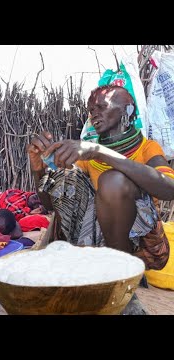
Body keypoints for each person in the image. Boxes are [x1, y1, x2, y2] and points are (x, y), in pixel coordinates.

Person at [28, 84, 174, 313]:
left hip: (141, 243)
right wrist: (38, 169)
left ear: (127, 110)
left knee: (112, 180)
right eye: (90, 109)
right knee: (67, 178)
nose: (93, 112)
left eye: (101, 106)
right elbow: (51, 204)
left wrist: (100, 151)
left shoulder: (146, 148)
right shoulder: (88, 157)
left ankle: (120, 286)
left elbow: (169, 189)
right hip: (97, 241)